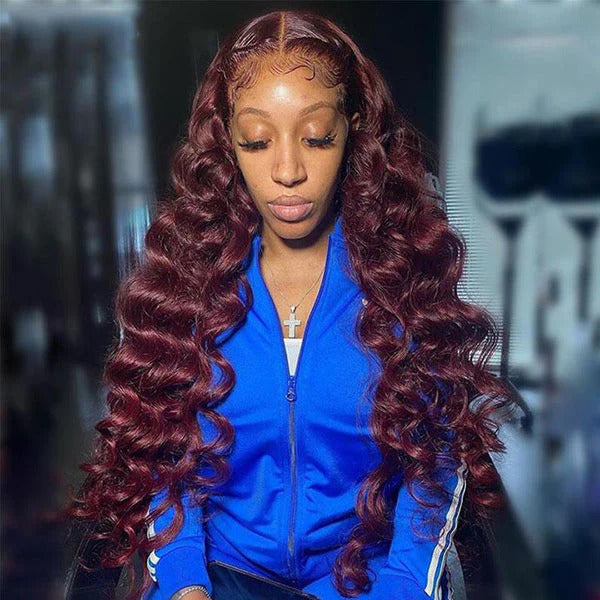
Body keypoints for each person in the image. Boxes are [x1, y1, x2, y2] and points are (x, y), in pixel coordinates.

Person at [67, 9, 515, 600]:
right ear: (228, 142)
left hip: (363, 582)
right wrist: (182, 581)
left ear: (353, 131)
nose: (287, 171)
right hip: (215, 577)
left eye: (317, 137)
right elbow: (161, 456)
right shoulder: (188, 286)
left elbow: (434, 465)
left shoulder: (402, 284)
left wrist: (403, 588)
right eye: (256, 141)